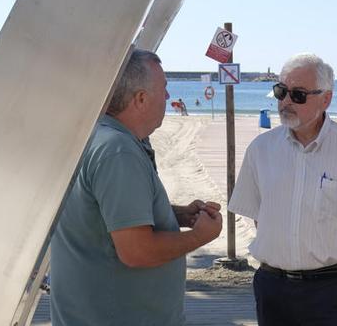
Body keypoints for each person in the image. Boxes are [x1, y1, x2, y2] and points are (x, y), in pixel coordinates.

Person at [228, 53, 337, 326]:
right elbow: (259, 216)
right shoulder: (260, 151)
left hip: (332, 293)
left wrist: (336, 271)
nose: (286, 101)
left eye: (298, 95)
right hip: (273, 289)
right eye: (281, 91)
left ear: (326, 99)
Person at [50, 49, 223, 326]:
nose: (168, 97)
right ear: (141, 99)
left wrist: (176, 215)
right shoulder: (118, 151)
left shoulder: (95, 136)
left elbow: (101, 216)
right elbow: (136, 251)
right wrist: (200, 236)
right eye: (164, 89)